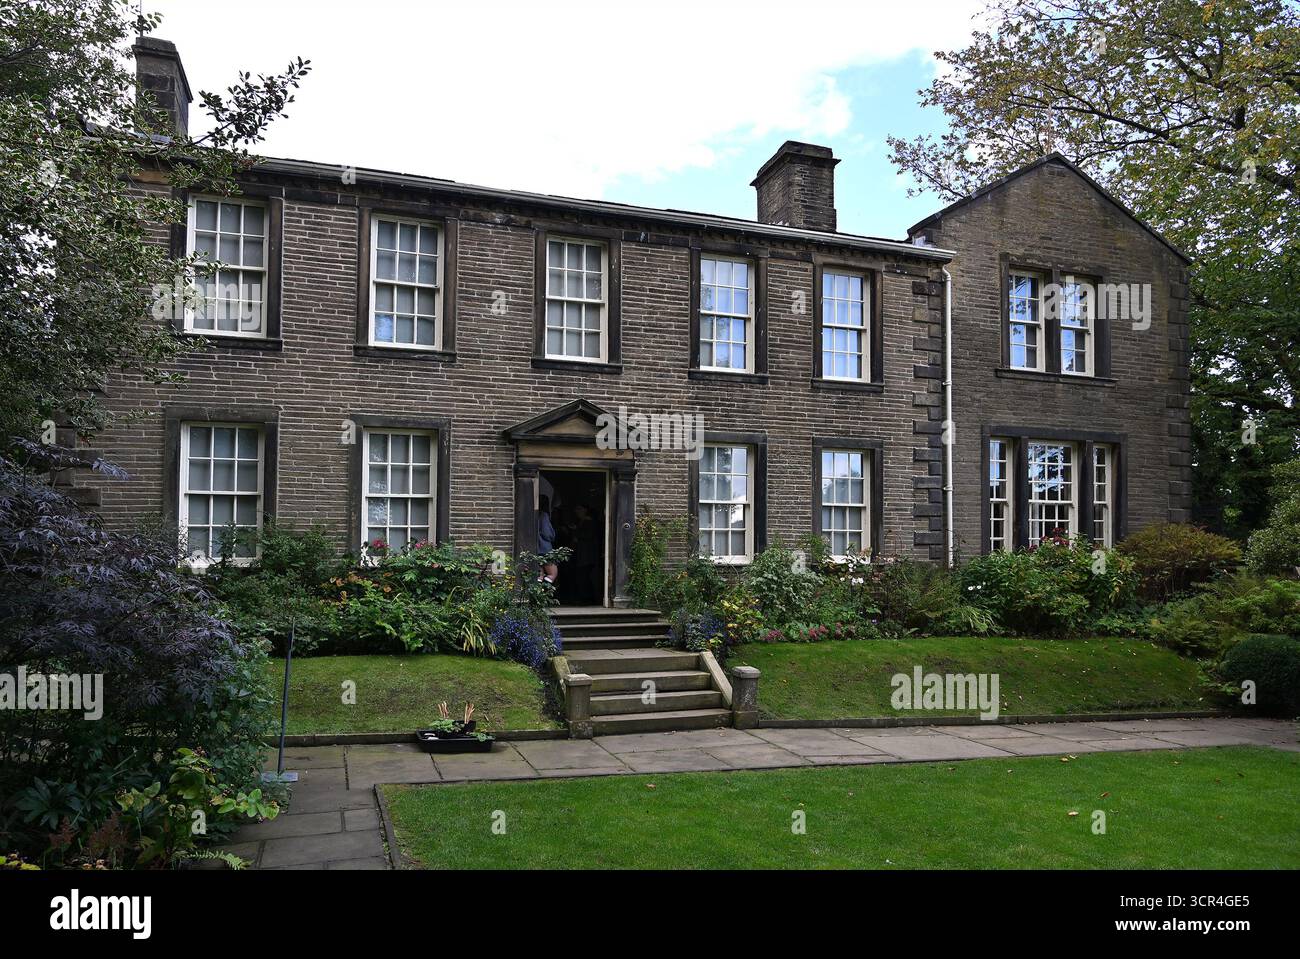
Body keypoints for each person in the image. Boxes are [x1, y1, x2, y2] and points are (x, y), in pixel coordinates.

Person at [537, 495, 558, 584]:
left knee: (539, 575)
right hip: (544, 548)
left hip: (536, 548)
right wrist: (553, 536)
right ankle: (547, 590)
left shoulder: (532, 515)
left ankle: (538, 591)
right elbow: (547, 533)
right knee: (552, 574)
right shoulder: (544, 515)